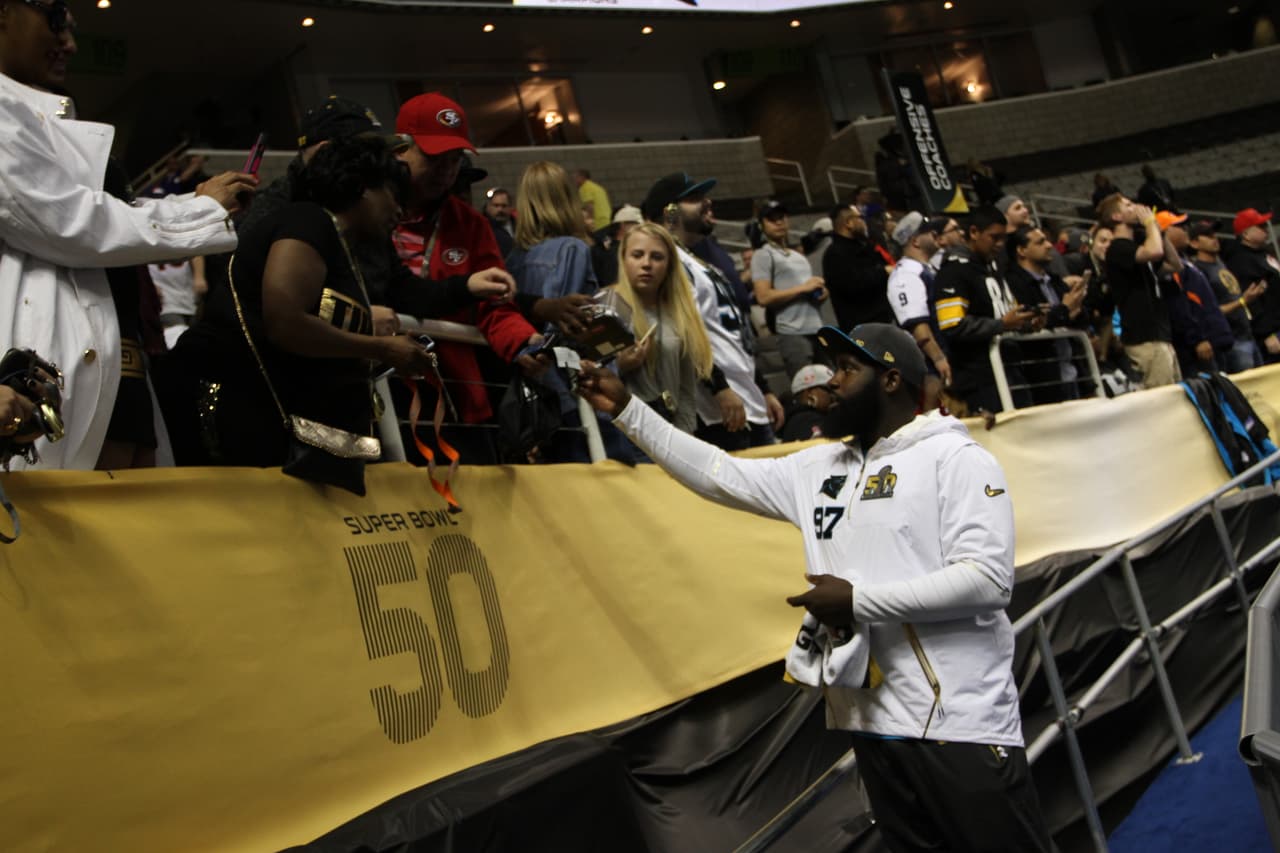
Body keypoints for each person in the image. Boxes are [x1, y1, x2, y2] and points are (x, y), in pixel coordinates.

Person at [575, 321, 1053, 853]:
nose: (832, 382)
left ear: (890, 381)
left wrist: (856, 600)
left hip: (959, 725)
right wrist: (627, 410)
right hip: (873, 723)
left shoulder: (955, 459)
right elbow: (717, 472)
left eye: (848, 370)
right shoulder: (820, 466)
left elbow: (988, 581)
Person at [0, 0, 257, 469]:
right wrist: (198, 212)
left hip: (114, 349)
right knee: (66, 523)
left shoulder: (36, 115)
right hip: (44, 354)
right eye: (56, 21)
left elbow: (105, 212)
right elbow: (66, 221)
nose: (69, 43)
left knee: (129, 513)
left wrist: (194, 204)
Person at [165, 136, 435, 467]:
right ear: (363, 186)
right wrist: (381, 347)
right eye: (393, 194)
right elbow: (286, 324)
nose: (400, 210)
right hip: (228, 408)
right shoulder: (308, 221)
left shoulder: (338, 244)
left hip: (263, 413)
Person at [393, 92, 545, 460]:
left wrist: (524, 342)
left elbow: (496, 305)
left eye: (455, 159)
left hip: (457, 392)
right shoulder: (367, 212)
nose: (446, 170)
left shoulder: (471, 225)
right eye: (434, 157)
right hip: (383, 389)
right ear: (400, 151)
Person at [640, 171, 783, 450]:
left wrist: (761, 388)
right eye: (694, 199)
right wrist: (719, 388)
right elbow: (683, 333)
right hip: (720, 409)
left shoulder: (699, 262)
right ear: (669, 212)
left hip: (745, 396)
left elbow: (731, 333)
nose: (707, 202)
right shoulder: (670, 263)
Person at [608, 223, 713, 434]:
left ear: (669, 265)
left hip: (672, 433)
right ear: (624, 259)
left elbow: (686, 390)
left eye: (657, 257)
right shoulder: (607, 309)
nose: (646, 264)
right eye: (637, 255)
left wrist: (685, 440)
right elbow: (587, 379)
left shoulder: (680, 313)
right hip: (627, 435)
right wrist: (620, 366)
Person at [935, 207, 1040, 414]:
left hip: (1010, 371)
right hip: (979, 381)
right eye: (994, 238)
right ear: (974, 232)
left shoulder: (994, 269)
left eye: (1003, 238)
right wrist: (1001, 325)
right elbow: (952, 326)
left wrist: (1027, 323)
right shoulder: (954, 272)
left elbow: (1008, 314)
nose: (1000, 245)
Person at [1096, 193, 1183, 387]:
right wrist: (1150, 223)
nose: (1136, 207)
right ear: (1117, 217)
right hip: (1144, 337)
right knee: (1163, 398)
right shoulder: (1118, 248)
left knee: (1176, 391)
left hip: (1159, 334)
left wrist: (1159, 232)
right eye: (1128, 205)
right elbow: (1154, 252)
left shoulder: (1137, 246)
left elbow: (1175, 265)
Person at [1003, 226, 1090, 404]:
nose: (1049, 245)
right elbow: (1034, 321)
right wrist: (1065, 310)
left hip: (1073, 372)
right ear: (1021, 250)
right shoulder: (1014, 283)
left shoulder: (1055, 280)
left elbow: (1081, 317)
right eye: (1040, 242)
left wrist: (1076, 306)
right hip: (1042, 377)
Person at [751, 199, 827, 377]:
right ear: (762, 225)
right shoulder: (763, 254)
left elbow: (806, 289)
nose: (779, 222)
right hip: (793, 333)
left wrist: (820, 292)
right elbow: (763, 297)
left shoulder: (797, 255)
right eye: (772, 219)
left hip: (816, 328)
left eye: (782, 217)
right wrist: (803, 288)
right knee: (807, 391)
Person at [1189, 220, 1265, 372]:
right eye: (1208, 236)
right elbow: (1210, 310)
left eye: (1215, 235)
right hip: (1233, 340)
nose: (1215, 239)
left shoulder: (1220, 264)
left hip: (1247, 334)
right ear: (1195, 243)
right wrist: (1243, 301)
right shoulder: (1198, 271)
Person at [887, 212, 951, 389]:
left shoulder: (925, 269)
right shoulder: (907, 273)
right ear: (915, 241)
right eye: (931, 233)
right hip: (929, 366)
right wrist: (938, 359)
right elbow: (918, 327)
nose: (936, 235)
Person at [823, 203, 895, 332]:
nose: (864, 222)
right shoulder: (835, 254)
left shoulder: (864, 245)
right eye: (860, 218)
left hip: (883, 320)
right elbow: (852, 283)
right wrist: (883, 272)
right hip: (863, 327)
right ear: (849, 223)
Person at [1224, 208, 1280, 363]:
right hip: (1271, 332)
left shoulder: (1262, 253)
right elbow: (1252, 301)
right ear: (1246, 234)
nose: (1266, 230)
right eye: (1260, 227)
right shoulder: (1241, 261)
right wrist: (1266, 334)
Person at [778, 363, 834, 443]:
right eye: (829, 389)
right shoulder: (807, 420)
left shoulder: (797, 418)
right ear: (810, 393)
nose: (835, 393)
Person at [590, 202, 642, 288]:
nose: (639, 227)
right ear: (623, 225)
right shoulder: (610, 251)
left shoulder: (606, 247)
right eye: (635, 224)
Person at [482, 186, 515, 259]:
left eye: (504, 206)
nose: (500, 210)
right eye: (496, 205)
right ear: (488, 207)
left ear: (510, 207)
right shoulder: (482, 229)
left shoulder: (519, 226)